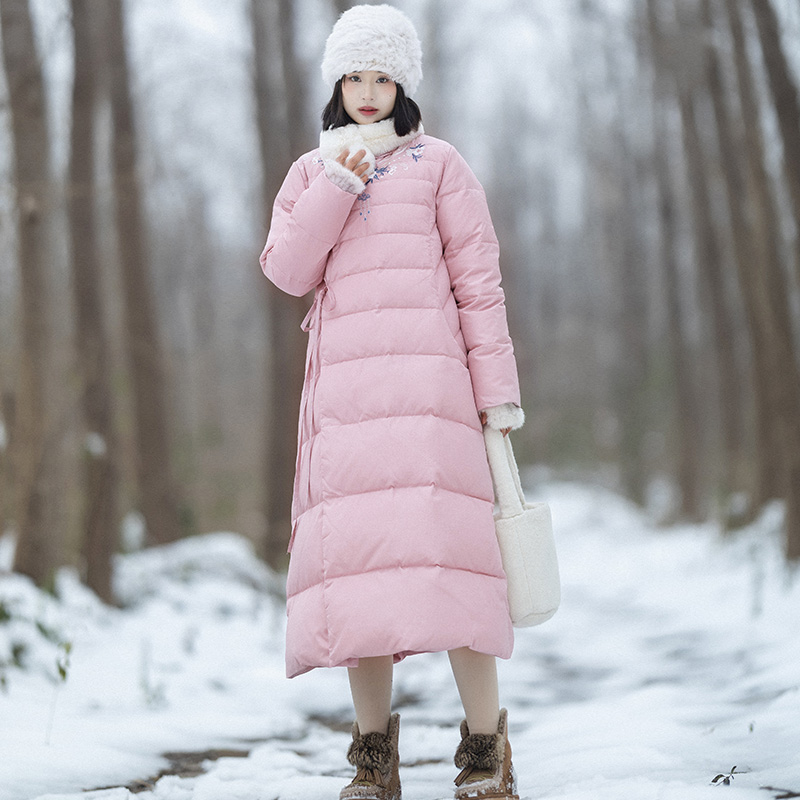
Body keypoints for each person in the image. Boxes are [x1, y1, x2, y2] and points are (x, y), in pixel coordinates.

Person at [260, 5, 524, 799]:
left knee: (456, 576)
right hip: (345, 412)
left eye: (382, 77)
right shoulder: (313, 171)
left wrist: (496, 395)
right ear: (336, 84)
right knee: (363, 582)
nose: (368, 92)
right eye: (354, 76)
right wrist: (339, 182)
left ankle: (487, 751)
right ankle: (373, 761)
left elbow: (478, 283)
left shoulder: (439, 164)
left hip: (432, 404)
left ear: (402, 84)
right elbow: (286, 270)